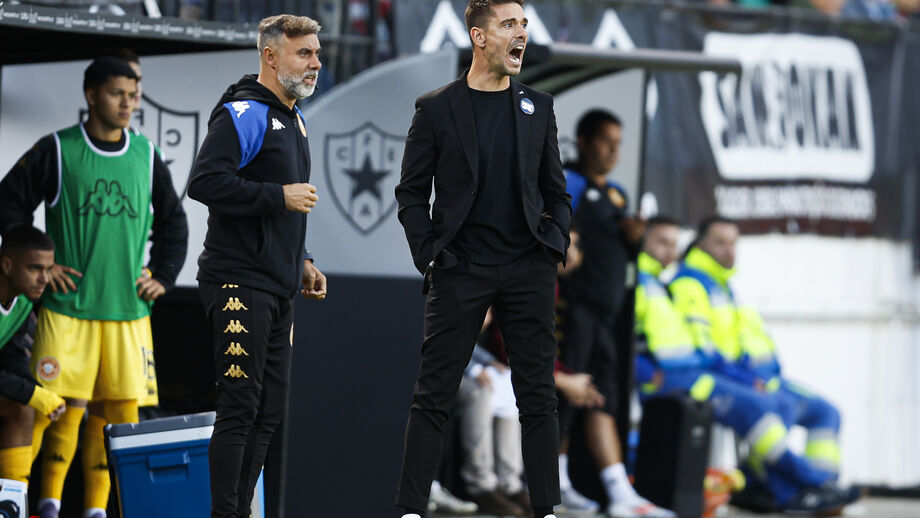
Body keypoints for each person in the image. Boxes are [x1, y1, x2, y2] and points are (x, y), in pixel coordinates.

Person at [394, 0, 571, 516]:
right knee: (434, 394)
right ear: (479, 36)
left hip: (527, 269)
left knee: (538, 396)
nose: (522, 34)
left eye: (525, 25)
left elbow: (555, 191)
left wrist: (553, 242)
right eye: (509, 24)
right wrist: (429, 254)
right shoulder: (436, 107)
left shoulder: (539, 106)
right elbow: (410, 193)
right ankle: (410, 508)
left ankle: (547, 509)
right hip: (460, 269)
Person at [0, 56, 188, 518]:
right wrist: (42, 264)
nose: (128, 103)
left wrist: (163, 274)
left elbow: (174, 221)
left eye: (133, 93)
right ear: (91, 96)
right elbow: (8, 202)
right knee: (57, 409)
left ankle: (97, 510)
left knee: (120, 415)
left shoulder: (145, 154)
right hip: (67, 308)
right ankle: (41, 504)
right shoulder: (59, 149)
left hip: (127, 309)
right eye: (117, 94)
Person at [186, 14, 326, 518]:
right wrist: (277, 196)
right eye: (303, 54)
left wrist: (304, 259)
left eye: (316, 53)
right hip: (236, 281)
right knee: (240, 408)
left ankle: (240, 511)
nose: (316, 64)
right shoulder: (241, 112)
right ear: (271, 56)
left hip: (279, 285)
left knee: (268, 412)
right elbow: (203, 183)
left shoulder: (296, 117)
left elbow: (285, 209)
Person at [659, 216, 860, 513]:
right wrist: (748, 379)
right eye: (720, 243)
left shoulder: (723, 286)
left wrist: (764, 376)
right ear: (699, 244)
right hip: (720, 379)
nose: (730, 251)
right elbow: (704, 350)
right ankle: (804, 487)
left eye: (733, 243)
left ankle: (823, 488)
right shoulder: (690, 284)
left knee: (825, 411)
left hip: (756, 378)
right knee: (764, 411)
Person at [554, 110, 672, 518]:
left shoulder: (618, 194)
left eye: (619, 143)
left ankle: (619, 489)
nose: (613, 151)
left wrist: (636, 239)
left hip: (609, 317)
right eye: (606, 141)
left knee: (602, 399)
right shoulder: (566, 183)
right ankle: (555, 483)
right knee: (567, 394)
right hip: (571, 310)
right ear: (584, 141)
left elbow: (623, 252)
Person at [0, 226, 65, 484]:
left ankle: (11, 502)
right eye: (35, 268)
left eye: (48, 270)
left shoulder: (23, 301)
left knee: (23, 409)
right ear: (7, 265)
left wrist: (37, 391)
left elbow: (10, 356)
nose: (45, 279)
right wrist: (34, 394)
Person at [456, 309, 529, 516]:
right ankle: (481, 484)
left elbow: (469, 343)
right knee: (480, 392)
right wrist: (475, 370)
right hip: (445, 370)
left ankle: (510, 483)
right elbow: (447, 339)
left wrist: (488, 362)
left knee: (507, 383)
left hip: (469, 364)